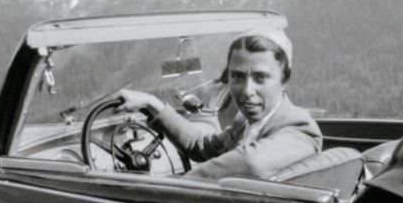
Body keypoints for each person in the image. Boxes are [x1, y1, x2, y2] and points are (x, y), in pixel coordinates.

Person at [115, 29, 322, 179]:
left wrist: (174, 183)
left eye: (260, 78)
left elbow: (251, 163)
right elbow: (202, 146)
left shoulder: (299, 130)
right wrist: (153, 105)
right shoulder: (246, 122)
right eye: (238, 77)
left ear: (284, 80)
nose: (247, 91)